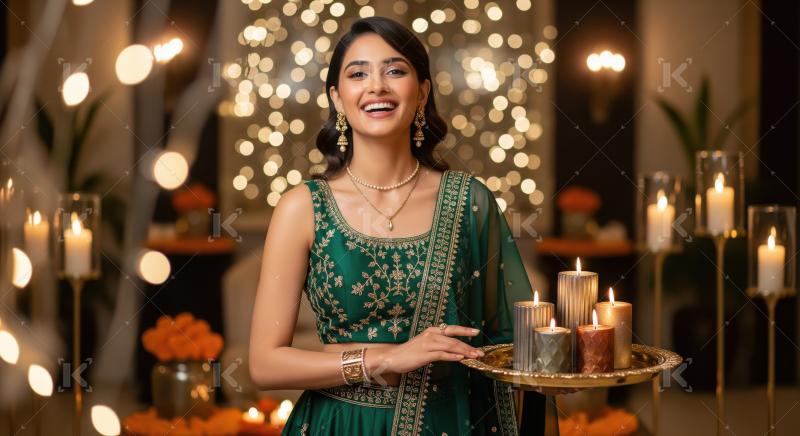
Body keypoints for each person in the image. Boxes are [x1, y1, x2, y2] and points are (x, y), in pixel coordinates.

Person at [249, 16, 555, 436]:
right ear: (338, 99)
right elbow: (264, 364)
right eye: (358, 74)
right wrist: (385, 359)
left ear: (423, 91)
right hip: (342, 424)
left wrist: (557, 368)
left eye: (395, 70)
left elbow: (507, 344)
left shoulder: (470, 202)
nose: (377, 86)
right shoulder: (302, 207)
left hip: (450, 423)